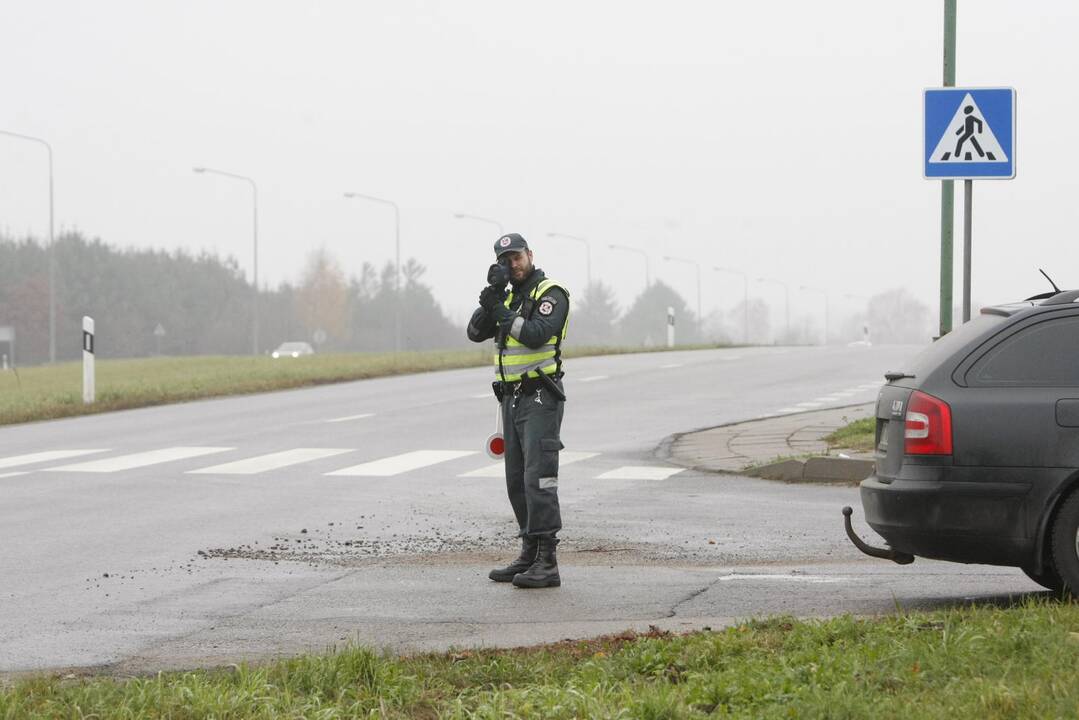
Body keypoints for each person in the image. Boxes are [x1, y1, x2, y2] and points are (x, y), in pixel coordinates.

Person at [467, 233, 570, 588]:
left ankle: (547, 560)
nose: (512, 264)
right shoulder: (508, 297)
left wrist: (500, 310)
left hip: (541, 397)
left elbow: (536, 334)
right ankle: (528, 552)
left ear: (530, 255)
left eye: (516, 257)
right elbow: (474, 332)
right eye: (505, 260)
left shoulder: (551, 294)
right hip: (511, 399)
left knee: (539, 478)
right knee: (516, 481)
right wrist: (492, 300)